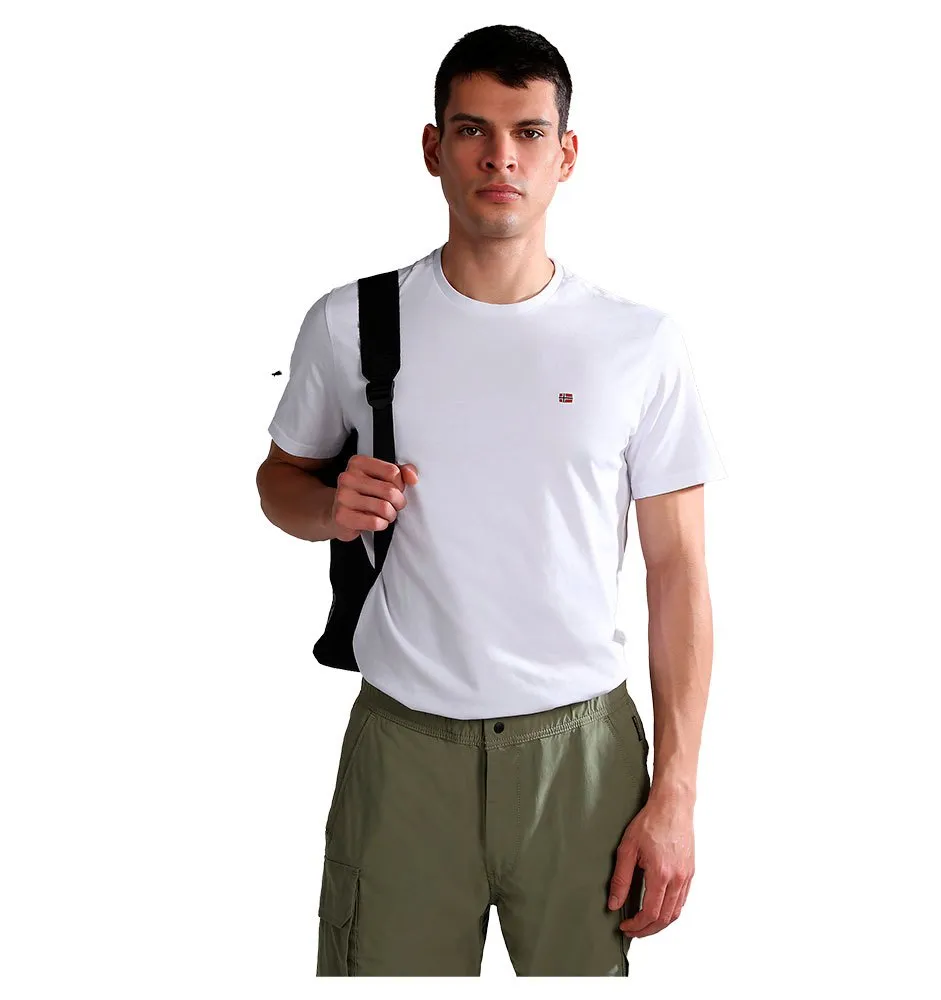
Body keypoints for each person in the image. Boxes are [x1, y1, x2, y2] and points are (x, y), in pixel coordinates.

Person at [255, 24, 728, 977]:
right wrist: (328, 507)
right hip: (404, 749)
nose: (500, 156)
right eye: (472, 130)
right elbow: (280, 482)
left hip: (583, 755)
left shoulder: (638, 344)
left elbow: (678, 570)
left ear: (567, 154)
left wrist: (675, 791)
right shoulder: (353, 322)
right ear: (434, 147)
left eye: (528, 132)